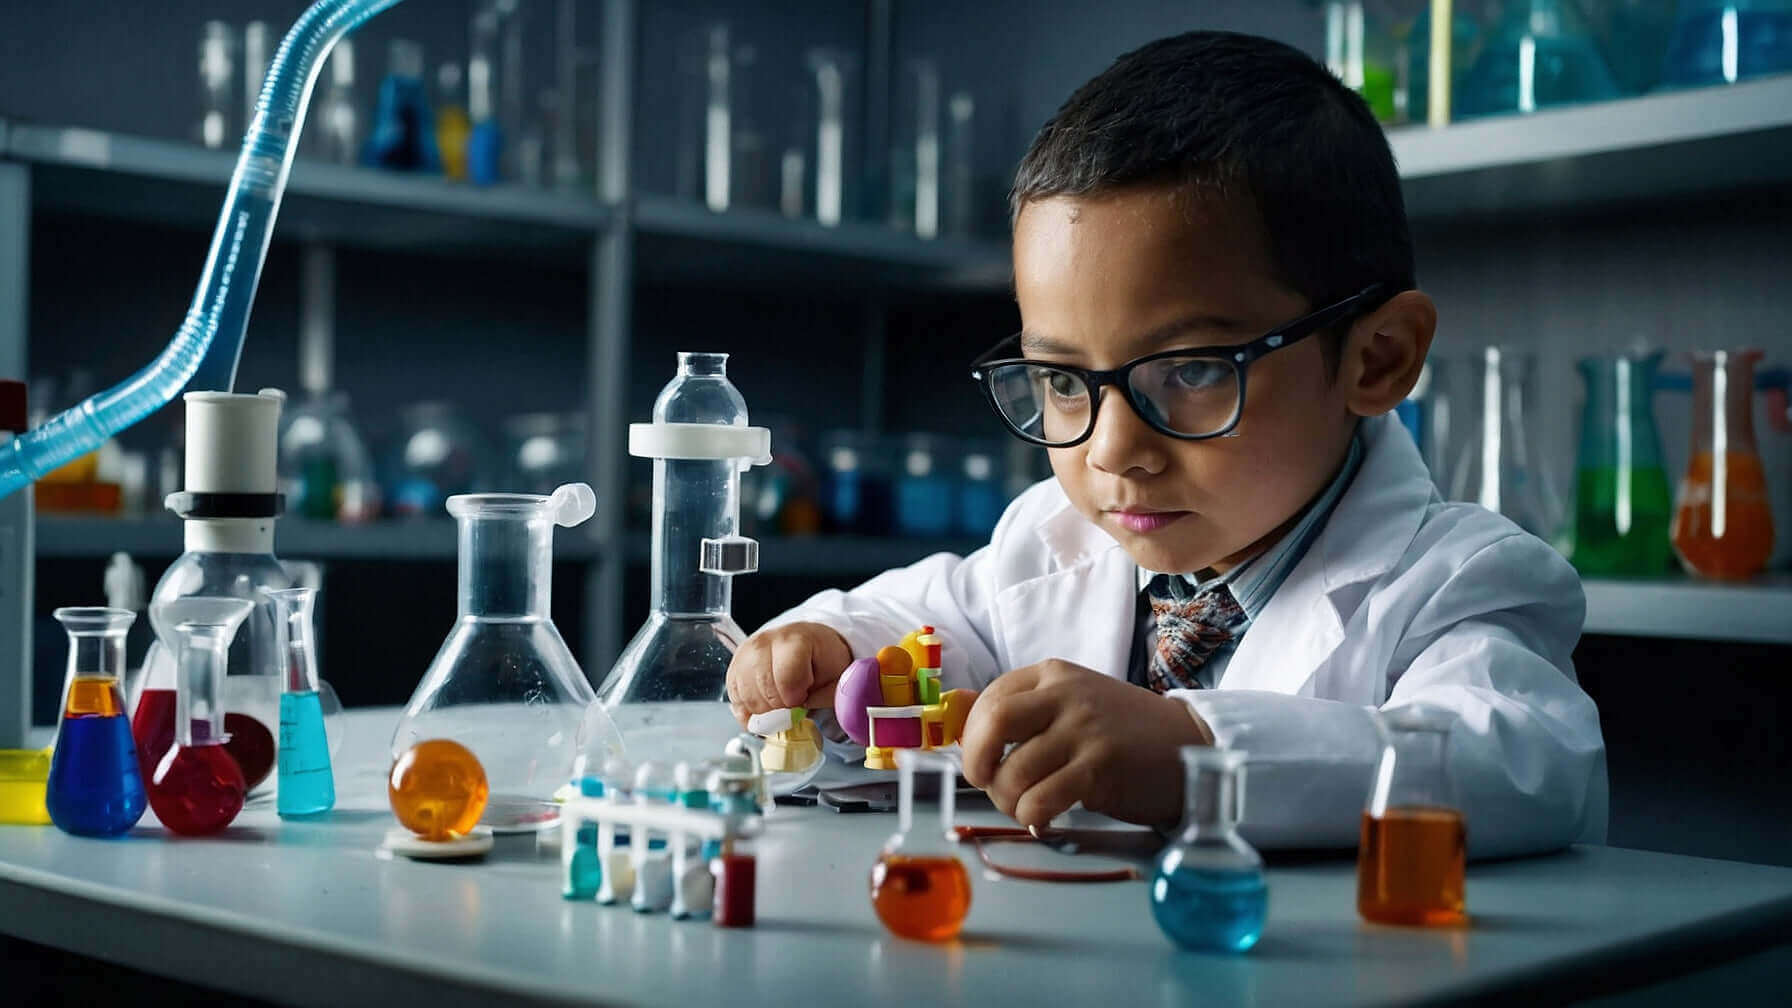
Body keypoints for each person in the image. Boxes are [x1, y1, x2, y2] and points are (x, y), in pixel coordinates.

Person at [726, 31, 1605, 858]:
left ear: (1378, 359)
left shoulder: (1458, 581)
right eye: (1064, 382)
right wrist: (832, 650)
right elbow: (928, 627)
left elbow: (1524, 766)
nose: (1113, 450)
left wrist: (1198, 752)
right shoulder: (1051, 540)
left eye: (1189, 372)